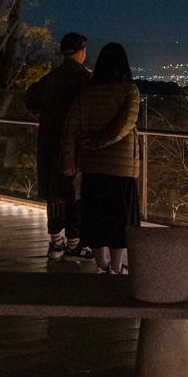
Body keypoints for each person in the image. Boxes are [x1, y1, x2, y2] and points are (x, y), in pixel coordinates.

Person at [60, 42, 140, 274]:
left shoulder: (86, 92)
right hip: (121, 168)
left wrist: (69, 159)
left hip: (92, 165)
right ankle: (116, 267)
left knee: (95, 218)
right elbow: (125, 125)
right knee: (119, 222)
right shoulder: (129, 90)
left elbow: (70, 127)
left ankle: (102, 265)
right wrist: (99, 140)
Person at [24, 32, 95, 262]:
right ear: (81, 52)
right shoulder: (85, 79)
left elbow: (30, 98)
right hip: (76, 146)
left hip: (49, 144)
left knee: (55, 193)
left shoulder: (52, 77)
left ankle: (56, 242)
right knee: (74, 193)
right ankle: (75, 243)